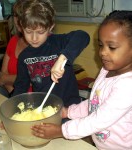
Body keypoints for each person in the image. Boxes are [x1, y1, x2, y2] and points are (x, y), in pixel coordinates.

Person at [31, 10, 132, 150]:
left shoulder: (127, 86)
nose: (102, 52)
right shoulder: (106, 70)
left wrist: (61, 131)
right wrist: (68, 112)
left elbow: (97, 120)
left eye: (112, 47)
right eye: (101, 45)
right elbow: (95, 103)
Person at [12, 0, 90, 108]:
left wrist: (62, 58)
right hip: (43, 108)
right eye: (28, 32)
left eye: (40, 32)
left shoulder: (59, 43)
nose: (34, 38)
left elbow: (83, 36)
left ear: (50, 27)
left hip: (69, 107)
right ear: (21, 27)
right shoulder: (24, 57)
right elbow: (20, 87)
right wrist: (13, 110)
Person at [0, 0, 32, 98]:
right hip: (10, 90)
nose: (17, 20)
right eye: (15, 15)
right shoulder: (13, 40)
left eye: (22, 16)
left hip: (32, 96)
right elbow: (0, 79)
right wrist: (11, 88)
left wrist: (7, 79)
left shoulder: (38, 42)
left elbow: (34, 80)